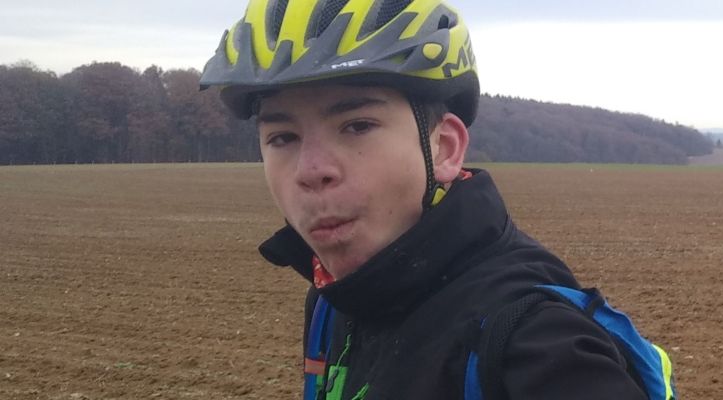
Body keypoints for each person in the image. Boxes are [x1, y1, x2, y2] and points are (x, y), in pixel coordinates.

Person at [199, 0, 656, 398]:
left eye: (357, 126)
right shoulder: (335, 300)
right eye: (282, 137)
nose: (311, 171)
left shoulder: (538, 346)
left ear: (444, 148)